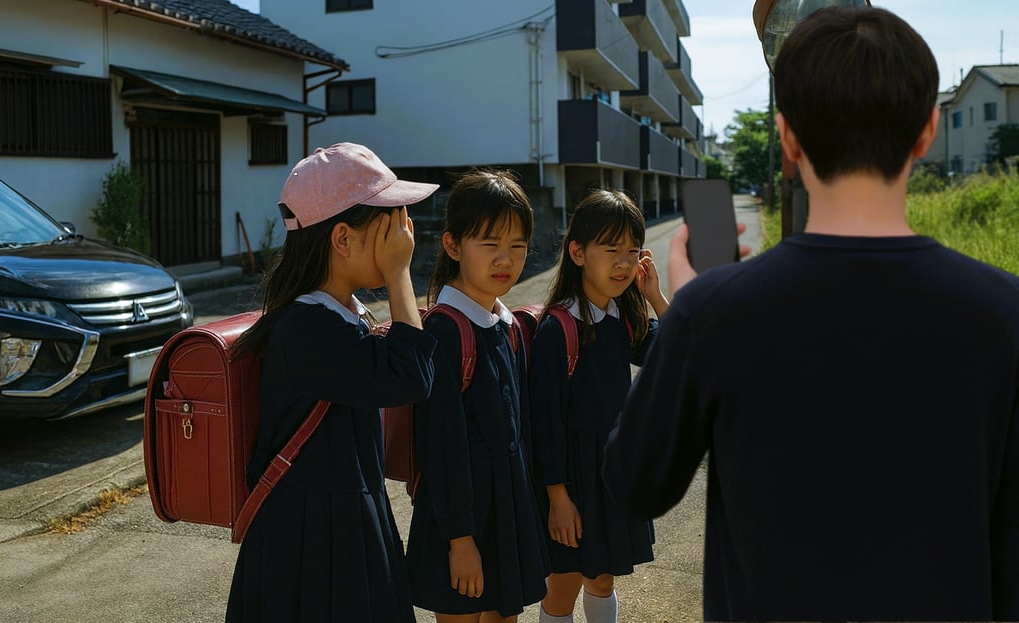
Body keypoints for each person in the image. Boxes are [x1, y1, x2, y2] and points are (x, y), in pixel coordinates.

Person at [603, 6, 1019, 622]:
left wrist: (690, 308)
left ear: (788, 138)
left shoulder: (715, 313)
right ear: (927, 132)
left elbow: (636, 483)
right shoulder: (1005, 313)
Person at [225, 142, 439, 622]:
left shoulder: (338, 315)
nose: (405, 233)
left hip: (339, 518)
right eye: (390, 223)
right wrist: (399, 275)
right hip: (313, 537)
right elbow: (410, 376)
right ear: (343, 239)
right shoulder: (308, 327)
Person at [405, 169, 549, 623]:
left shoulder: (507, 325)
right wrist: (460, 539)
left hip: (507, 506)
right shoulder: (445, 330)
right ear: (452, 245)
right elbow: (441, 446)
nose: (506, 258)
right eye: (490, 244)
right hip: (461, 517)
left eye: (518, 245)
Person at [528, 190, 668, 623]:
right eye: (611, 250)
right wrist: (558, 498)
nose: (623, 263)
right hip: (571, 478)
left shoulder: (624, 318)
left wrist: (654, 297)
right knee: (565, 582)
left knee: (603, 577)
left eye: (632, 251)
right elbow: (545, 422)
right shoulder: (559, 327)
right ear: (578, 252)